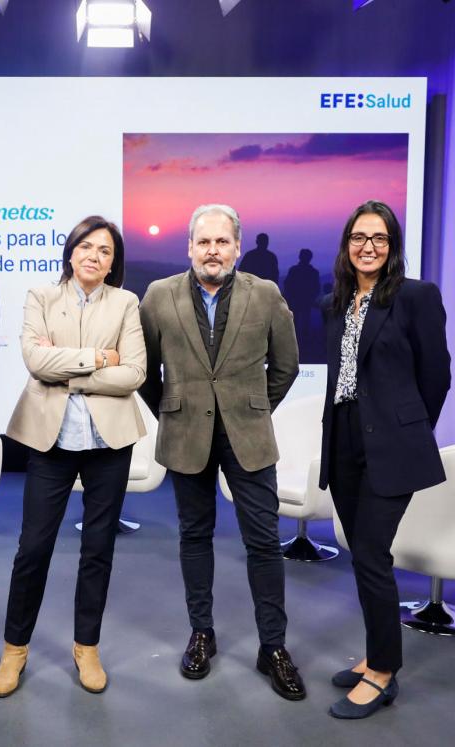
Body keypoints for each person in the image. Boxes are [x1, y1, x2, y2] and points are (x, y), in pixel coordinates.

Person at [139, 204, 306, 702]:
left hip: (249, 436)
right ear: (190, 247)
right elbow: (145, 369)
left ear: (237, 246)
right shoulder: (158, 295)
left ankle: (273, 647)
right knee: (195, 535)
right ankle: (202, 633)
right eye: (203, 242)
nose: (213, 251)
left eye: (222, 242)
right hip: (185, 432)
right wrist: (170, 408)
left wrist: (252, 409)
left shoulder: (267, 295)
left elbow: (287, 366)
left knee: (263, 541)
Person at [0, 216, 147, 697]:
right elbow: (35, 362)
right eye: (86, 246)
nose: (94, 256)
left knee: (98, 549)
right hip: (51, 441)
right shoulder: (42, 297)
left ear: (112, 262)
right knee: (33, 549)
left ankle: (87, 647)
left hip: (109, 444)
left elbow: (136, 373)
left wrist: (70, 370)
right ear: (70, 251)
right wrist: (101, 358)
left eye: (105, 251)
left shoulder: (126, 302)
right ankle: (14, 650)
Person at [319, 200, 450, 720]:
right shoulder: (337, 303)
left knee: (372, 552)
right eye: (358, 237)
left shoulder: (416, 297)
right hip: (345, 438)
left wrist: (409, 428)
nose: (368, 247)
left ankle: (382, 673)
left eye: (379, 238)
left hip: (391, 444)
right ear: (346, 244)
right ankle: (377, 653)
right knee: (361, 551)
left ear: (392, 246)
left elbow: (436, 375)